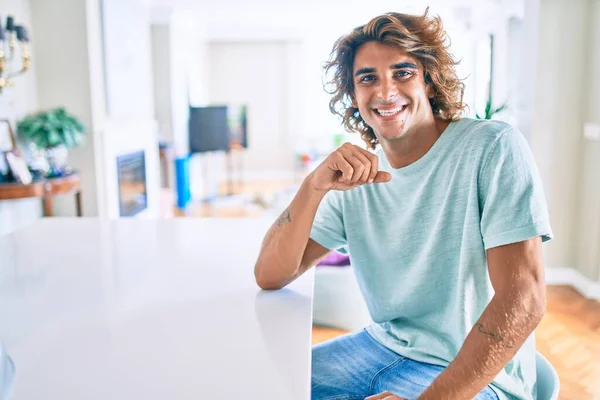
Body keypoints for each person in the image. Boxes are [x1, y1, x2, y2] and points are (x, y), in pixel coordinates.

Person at [254, 8, 552, 400]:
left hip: (473, 374)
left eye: (402, 73)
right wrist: (312, 187)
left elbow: (524, 299)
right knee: (262, 385)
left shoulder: (491, 147)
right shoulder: (358, 177)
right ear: (354, 94)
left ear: (428, 79)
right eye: (367, 78)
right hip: (379, 347)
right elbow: (270, 275)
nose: (385, 92)